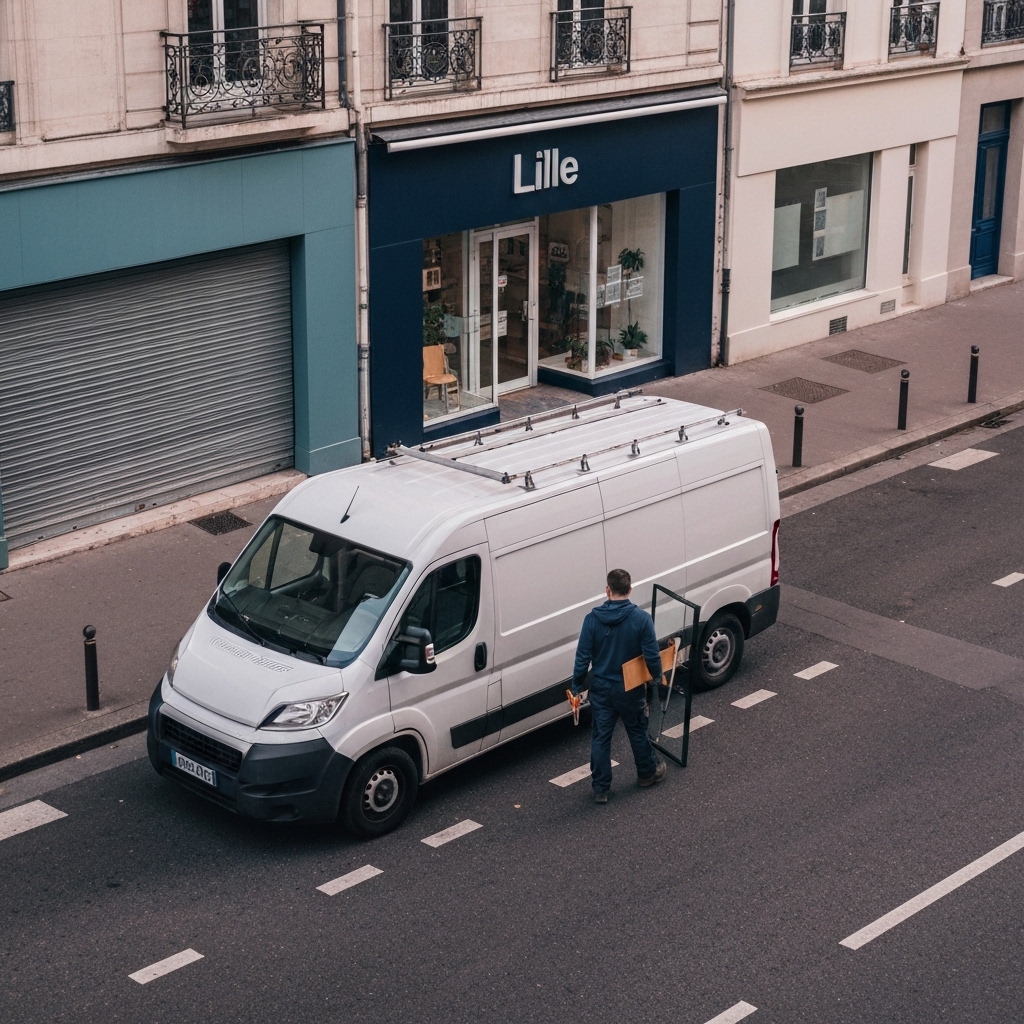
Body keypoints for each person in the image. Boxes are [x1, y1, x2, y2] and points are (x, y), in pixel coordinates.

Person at [571, 568, 667, 803]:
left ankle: (601, 789)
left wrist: (576, 687)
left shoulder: (592, 620)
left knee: (601, 737)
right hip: (630, 687)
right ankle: (647, 774)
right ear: (630, 590)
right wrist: (657, 677)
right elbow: (652, 655)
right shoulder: (641, 619)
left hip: (602, 689)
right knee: (636, 730)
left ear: (607, 590)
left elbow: (582, 658)